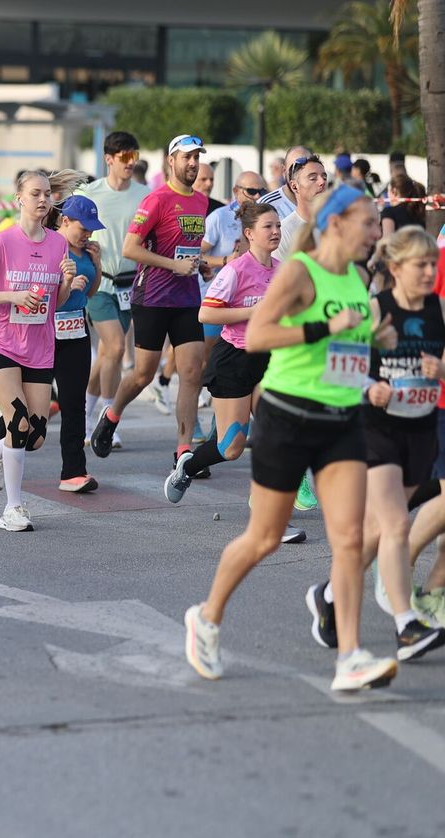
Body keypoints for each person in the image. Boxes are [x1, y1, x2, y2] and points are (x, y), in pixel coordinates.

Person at [184, 184, 401, 692]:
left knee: (349, 538)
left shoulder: (356, 276)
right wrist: (325, 328)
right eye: (368, 222)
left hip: (340, 419)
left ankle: (350, 657)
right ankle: (207, 617)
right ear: (335, 224)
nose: (376, 231)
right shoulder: (300, 272)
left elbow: (344, 347)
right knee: (264, 537)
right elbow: (259, 335)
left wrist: (374, 342)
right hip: (288, 418)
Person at [336, 226, 445, 660]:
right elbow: (338, 365)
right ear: (396, 268)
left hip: (419, 431)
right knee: (398, 524)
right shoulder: (376, 309)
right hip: (375, 430)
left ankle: (329, 596)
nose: (430, 272)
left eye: (433, 264)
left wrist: (441, 370)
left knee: (378, 530)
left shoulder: (438, 309)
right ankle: (406, 625)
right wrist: (370, 387)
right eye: (421, 265)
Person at [0, 169, 78, 532]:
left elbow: (54, 304)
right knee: (17, 421)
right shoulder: (1, 243)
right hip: (1, 344)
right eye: (35, 193)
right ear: (19, 199)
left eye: (47, 194)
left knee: (35, 436)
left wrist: (67, 283)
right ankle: (13, 508)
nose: (43, 199)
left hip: (39, 347)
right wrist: (12, 296)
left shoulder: (58, 244)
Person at [91, 136, 210, 465]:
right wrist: (173, 265)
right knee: (143, 374)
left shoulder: (201, 201)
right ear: (171, 161)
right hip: (152, 297)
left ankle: (184, 451)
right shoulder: (156, 199)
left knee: (192, 372)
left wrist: (200, 265)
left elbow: (186, 247)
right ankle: (112, 414)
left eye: (196, 158)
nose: (192, 163)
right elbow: (130, 248)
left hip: (186, 298)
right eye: (186, 157)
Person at [166, 201, 281, 503]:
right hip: (235, 360)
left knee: (277, 431)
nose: (275, 232)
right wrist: (252, 311)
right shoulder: (235, 270)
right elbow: (206, 314)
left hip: (269, 359)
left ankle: (265, 502)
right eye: (268, 227)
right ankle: (188, 466)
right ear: (249, 233)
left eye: (278, 226)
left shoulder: (282, 271)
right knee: (231, 447)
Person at [78, 132, 149, 449]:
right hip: (99, 282)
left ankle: (84, 415)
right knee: (117, 347)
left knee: (108, 353)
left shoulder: (146, 195)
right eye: (124, 157)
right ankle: (109, 420)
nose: (130, 163)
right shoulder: (90, 193)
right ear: (108, 159)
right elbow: (68, 227)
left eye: (134, 156)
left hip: (131, 285)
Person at [52, 196, 104, 492]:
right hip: (44, 329)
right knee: (36, 407)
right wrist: (66, 285)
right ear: (66, 220)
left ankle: (73, 471)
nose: (88, 234)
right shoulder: (49, 246)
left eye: (92, 229)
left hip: (76, 329)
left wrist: (97, 264)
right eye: (83, 228)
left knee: (74, 402)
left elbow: (91, 293)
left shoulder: (86, 251)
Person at [202, 171, 267, 259]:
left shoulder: (267, 216)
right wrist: (225, 261)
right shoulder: (219, 217)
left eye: (262, 192)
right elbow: (196, 256)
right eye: (251, 191)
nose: (257, 196)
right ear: (236, 191)